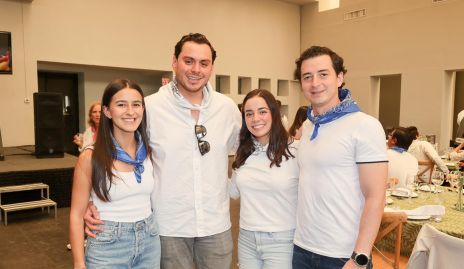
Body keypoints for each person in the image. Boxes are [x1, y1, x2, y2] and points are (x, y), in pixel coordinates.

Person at [84, 33, 241, 269]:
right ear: (174, 62)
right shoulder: (151, 107)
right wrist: (88, 199)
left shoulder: (226, 108)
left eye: (204, 63)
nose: (196, 69)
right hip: (169, 228)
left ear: (211, 67)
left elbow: (250, 148)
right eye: (188, 61)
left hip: (215, 225)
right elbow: (112, 145)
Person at [292, 46, 388, 269]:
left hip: (343, 255)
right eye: (307, 77)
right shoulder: (307, 126)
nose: (315, 83)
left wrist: (359, 257)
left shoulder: (364, 125)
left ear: (339, 78)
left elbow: (376, 196)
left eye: (323, 74)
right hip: (302, 249)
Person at [69, 79, 160, 269]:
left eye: (136, 105)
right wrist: (78, 263)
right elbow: (76, 215)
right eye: (121, 105)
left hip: (150, 241)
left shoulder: (149, 152)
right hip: (108, 246)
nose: (130, 111)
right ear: (107, 111)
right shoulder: (90, 156)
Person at [230, 89, 299, 269]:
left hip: (282, 239)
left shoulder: (295, 151)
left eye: (262, 112)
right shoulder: (244, 151)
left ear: (274, 114)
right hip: (247, 238)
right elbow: (233, 192)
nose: (255, 119)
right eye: (249, 114)